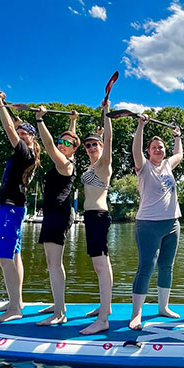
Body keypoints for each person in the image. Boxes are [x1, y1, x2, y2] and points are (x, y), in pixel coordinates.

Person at [0, 91, 40, 323]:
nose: (20, 135)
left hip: (10, 208)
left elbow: (10, 128)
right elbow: (16, 124)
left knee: (4, 257)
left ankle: (15, 308)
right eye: (20, 133)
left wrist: (0, 104)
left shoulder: (24, 152)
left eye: (24, 134)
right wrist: (12, 108)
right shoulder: (25, 153)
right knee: (14, 255)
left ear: (32, 138)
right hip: (15, 207)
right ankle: (15, 302)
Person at [129, 114, 183, 331]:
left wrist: (178, 136)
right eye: (154, 147)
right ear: (148, 151)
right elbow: (136, 149)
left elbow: (179, 152)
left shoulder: (168, 165)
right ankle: (136, 314)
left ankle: (163, 307)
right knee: (146, 267)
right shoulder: (143, 166)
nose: (158, 150)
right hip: (148, 224)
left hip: (172, 224)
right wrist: (141, 125)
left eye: (161, 147)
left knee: (166, 267)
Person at [33, 105, 80, 326]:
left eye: (67, 144)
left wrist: (40, 121)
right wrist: (73, 121)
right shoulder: (66, 155)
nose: (62, 144)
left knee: (54, 263)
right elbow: (67, 140)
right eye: (61, 141)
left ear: (73, 150)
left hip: (59, 215)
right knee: (51, 262)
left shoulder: (65, 163)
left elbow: (51, 146)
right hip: (53, 214)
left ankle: (60, 312)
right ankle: (58, 302)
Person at [79, 100, 115, 335]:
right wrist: (98, 134)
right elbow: (100, 141)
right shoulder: (91, 166)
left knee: (100, 266)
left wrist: (106, 113)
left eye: (95, 144)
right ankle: (106, 307)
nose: (91, 147)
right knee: (100, 264)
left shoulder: (103, 164)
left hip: (98, 215)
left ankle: (102, 320)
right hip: (91, 217)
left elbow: (109, 141)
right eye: (88, 145)